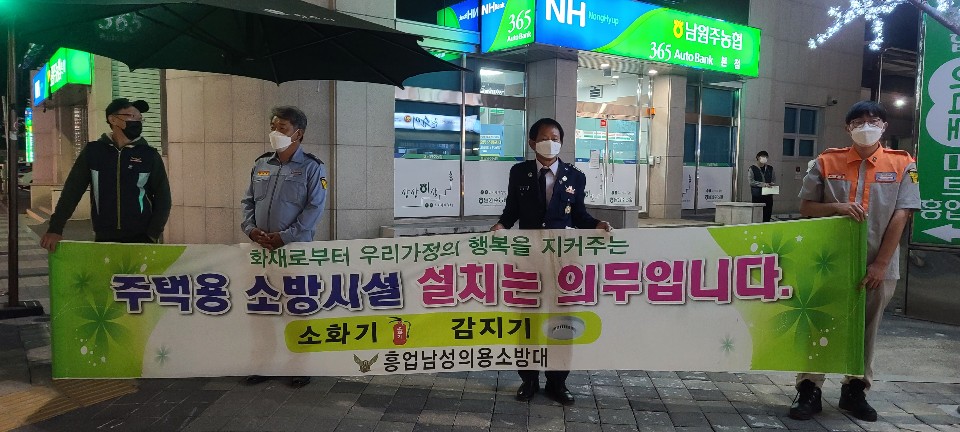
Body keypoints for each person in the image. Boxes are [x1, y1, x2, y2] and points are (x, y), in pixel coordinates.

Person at [790, 101, 919, 422]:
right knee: (819, 322)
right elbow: (806, 207)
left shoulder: (904, 164)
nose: (866, 126)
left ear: (884, 126)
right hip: (828, 261)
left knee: (867, 329)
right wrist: (837, 207)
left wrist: (880, 264)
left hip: (878, 265)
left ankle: (855, 389)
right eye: (858, 122)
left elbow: (902, 214)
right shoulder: (826, 161)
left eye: (873, 121)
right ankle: (809, 388)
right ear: (848, 128)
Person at [491, 117, 612, 405]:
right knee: (529, 319)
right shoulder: (519, 173)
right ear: (532, 142)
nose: (550, 142)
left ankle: (557, 382)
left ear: (562, 142)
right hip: (529, 259)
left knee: (562, 319)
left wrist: (597, 225)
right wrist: (501, 225)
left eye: (555, 138)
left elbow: (579, 215)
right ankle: (529, 380)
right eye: (545, 138)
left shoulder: (575, 176)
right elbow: (511, 211)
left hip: (563, 261)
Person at [240, 106, 327, 388]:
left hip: (294, 251)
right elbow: (248, 201)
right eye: (273, 127)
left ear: (298, 133)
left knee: (297, 308)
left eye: (282, 128)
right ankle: (264, 364)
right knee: (263, 309)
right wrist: (251, 230)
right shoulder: (261, 164)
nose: (275, 133)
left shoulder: (312, 167)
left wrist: (285, 237)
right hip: (261, 250)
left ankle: (299, 366)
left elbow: (314, 209)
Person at [40, 98, 171, 252]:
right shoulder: (94, 152)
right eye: (131, 116)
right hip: (104, 238)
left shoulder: (149, 155)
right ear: (113, 119)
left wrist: (152, 234)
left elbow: (163, 198)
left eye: (139, 118)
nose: (137, 121)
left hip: (142, 239)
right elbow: (72, 191)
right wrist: (55, 228)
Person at [749, 151, 776, 222]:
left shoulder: (770, 168)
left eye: (766, 157)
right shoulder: (752, 168)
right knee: (757, 215)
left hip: (768, 195)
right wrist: (763, 184)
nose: (765, 158)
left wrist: (772, 184)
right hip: (757, 195)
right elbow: (751, 182)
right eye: (763, 157)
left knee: (767, 215)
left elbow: (773, 179)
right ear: (758, 157)